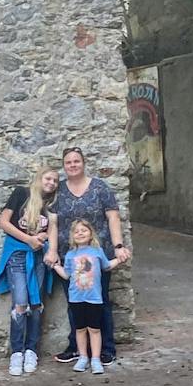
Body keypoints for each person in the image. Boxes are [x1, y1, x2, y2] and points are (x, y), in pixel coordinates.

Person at [46, 146, 130, 364]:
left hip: (96, 256)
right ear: (64, 166)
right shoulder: (59, 192)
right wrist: (52, 250)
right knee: (75, 304)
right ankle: (77, 348)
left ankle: (106, 348)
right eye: (68, 162)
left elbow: (113, 217)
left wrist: (118, 246)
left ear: (83, 163)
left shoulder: (100, 188)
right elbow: (53, 223)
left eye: (76, 161)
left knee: (100, 302)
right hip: (70, 257)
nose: (72, 165)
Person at [0, 164, 59, 375]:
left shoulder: (51, 204)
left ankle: (32, 349)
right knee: (20, 302)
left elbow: (52, 229)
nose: (51, 183)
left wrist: (47, 244)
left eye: (55, 181)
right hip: (17, 254)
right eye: (48, 178)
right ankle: (17, 352)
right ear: (39, 178)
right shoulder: (21, 194)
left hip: (38, 257)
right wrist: (28, 239)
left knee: (36, 303)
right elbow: (4, 222)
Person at [49, 220, 122, 374]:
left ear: (91, 233)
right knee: (80, 329)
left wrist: (120, 259)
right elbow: (67, 275)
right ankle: (83, 357)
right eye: (76, 231)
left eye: (84, 230)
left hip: (94, 298)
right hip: (76, 299)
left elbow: (106, 266)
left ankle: (95, 359)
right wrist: (55, 266)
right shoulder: (70, 255)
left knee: (94, 329)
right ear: (72, 236)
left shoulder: (97, 251)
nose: (80, 233)